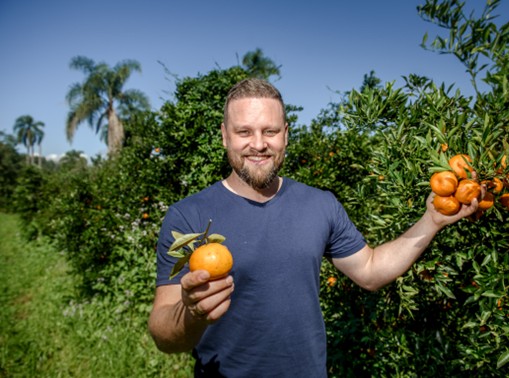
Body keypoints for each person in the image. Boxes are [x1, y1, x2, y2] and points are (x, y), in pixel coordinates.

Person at [148, 78, 482, 377]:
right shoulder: (189, 217)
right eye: (244, 132)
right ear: (225, 136)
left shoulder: (320, 205)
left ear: (286, 135)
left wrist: (432, 220)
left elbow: (370, 270)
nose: (259, 144)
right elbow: (163, 334)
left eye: (270, 131)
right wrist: (192, 313)